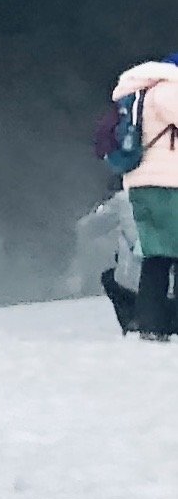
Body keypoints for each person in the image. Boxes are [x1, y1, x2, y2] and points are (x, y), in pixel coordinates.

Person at [106, 58, 178, 339]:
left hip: (143, 185)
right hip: (168, 185)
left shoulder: (143, 91)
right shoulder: (168, 90)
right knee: (164, 255)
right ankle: (156, 323)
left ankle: (152, 323)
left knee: (156, 255)